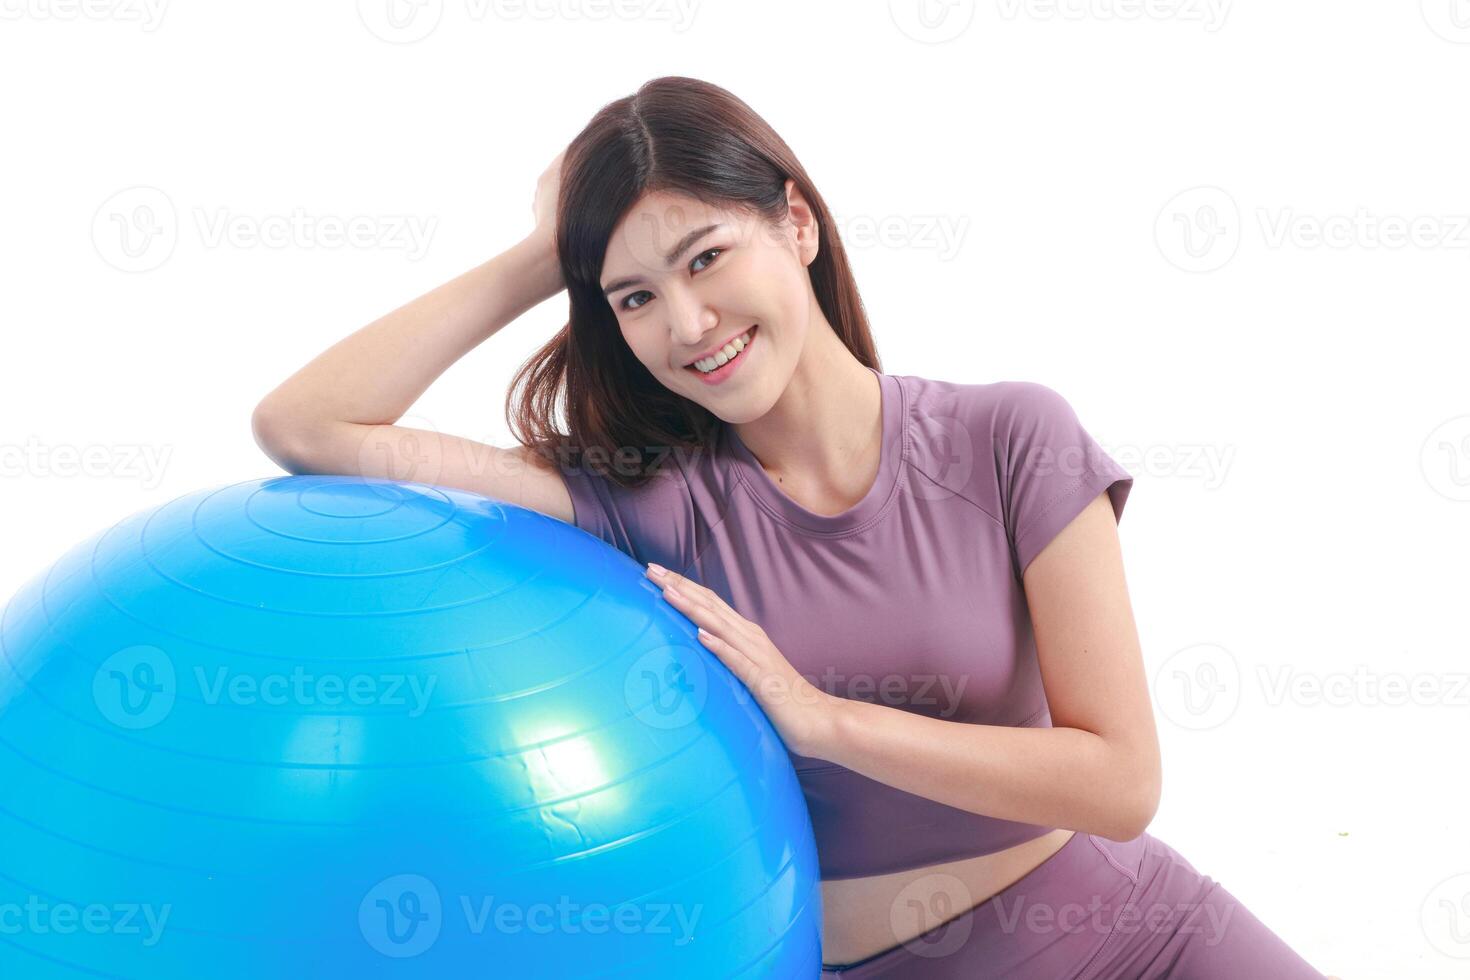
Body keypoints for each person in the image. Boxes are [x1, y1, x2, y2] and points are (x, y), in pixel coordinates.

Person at [251, 75, 1342, 979]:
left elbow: (1120, 780)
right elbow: (307, 423)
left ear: (798, 221)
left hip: (1143, 941)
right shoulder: (653, 502)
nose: (686, 324)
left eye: (704, 256)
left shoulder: (1013, 435)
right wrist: (551, 249)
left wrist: (823, 719)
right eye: (631, 296)